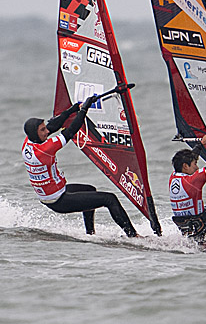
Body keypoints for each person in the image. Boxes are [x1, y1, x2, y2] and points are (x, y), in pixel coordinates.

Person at [22, 90, 140, 238]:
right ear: (35, 133)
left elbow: (53, 125)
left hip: (52, 194)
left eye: (45, 128)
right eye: (42, 130)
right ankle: (133, 236)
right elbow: (71, 131)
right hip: (59, 200)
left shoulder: (28, 142)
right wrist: (84, 109)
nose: (47, 131)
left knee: (90, 189)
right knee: (110, 199)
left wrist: (73, 109)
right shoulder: (44, 149)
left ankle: (90, 234)